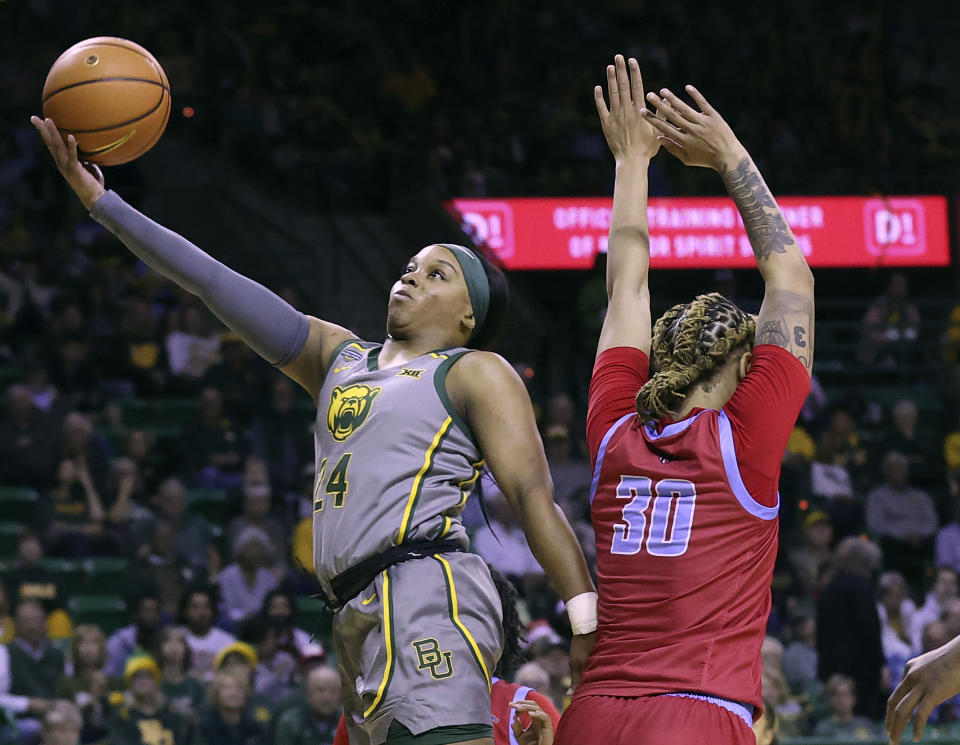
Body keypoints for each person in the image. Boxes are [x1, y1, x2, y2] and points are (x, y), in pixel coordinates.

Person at [33, 96, 595, 745]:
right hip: (352, 611)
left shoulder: (471, 369)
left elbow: (531, 496)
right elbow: (213, 282)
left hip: (424, 591)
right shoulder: (339, 356)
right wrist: (105, 206)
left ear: (469, 316)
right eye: (409, 266)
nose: (409, 276)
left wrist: (585, 618)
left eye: (436, 273)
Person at [554, 57, 814, 745]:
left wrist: (631, 162)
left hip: (591, 712)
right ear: (742, 365)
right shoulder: (745, 439)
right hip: (696, 711)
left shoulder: (614, 430)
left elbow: (626, 288)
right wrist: (728, 154)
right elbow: (790, 272)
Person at [274, 665, 343, 745]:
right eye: (320, 690)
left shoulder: (348, 721)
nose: (327, 697)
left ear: (340, 694)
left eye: (333, 690)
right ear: (308, 693)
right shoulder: (291, 723)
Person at [812, 674, 880, 739]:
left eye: (846, 694)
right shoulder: (823, 729)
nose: (842, 699)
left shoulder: (866, 725)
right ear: (830, 700)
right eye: (837, 695)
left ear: (854, 698)